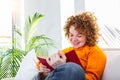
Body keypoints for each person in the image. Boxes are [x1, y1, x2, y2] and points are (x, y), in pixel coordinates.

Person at [35, 11, 106, 80]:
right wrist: (41, 67)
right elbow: (46, 61)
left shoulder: (95, 51)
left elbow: (92, 78)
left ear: (88, 35)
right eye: (71, 35)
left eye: (79, 36)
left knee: (73, 68)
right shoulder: (67, 50)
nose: (74, 39)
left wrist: (64, 68)